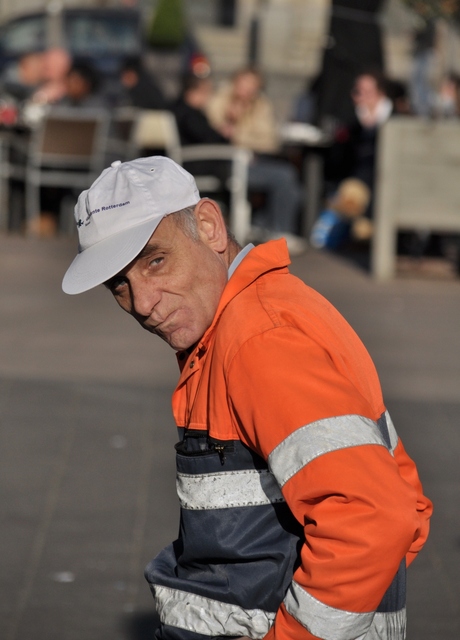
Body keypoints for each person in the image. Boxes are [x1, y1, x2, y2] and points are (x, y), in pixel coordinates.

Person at [62, 155, 432, 640]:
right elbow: (405, 504)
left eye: (156, 261)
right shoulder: (260, 317)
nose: (143, 304)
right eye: (120, 286)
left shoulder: (258, 340)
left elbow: (375, 515)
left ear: (210, 227)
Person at [207, 67, 306, 253]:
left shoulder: (261, 104)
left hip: (255, 160)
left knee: (289, 176)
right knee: (284, 176)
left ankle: (272, 227)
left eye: (252, 87)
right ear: (235, 81)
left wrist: (241, 136)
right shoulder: (219, 99)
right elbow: (215, 132)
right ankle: (278, 229)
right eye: (244, 84)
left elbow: (271, 140)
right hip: (225, 162)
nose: (247, 90)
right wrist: (234, 126)